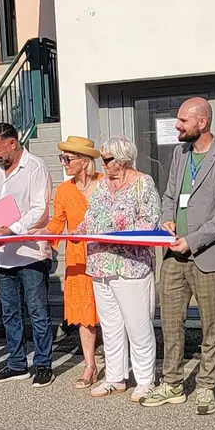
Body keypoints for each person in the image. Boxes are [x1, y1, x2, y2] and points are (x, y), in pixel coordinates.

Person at [142, 98, 215, 415]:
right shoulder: (180, 153)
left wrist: (193, 240)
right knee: (171, 324)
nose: (177, 125)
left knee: (211, 326)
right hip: (173, 256)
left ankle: (206, 386)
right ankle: (172, 384)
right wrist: (167, 219)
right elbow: (170, 194)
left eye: (183, 120)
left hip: (207, 256)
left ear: (202, 122)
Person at [0, 123, 55, 388]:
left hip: (30, 251)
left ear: (13, 143)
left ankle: (43, 364)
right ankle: (17, 363)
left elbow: (40, 209)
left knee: (37, 311)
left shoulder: (35, 167)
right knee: (9, 312)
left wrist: (13, 228)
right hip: (3, 252)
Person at [77, 136, 161, 402]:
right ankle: (115, 377)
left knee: (138, 326)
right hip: (100, 264)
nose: (102, 164)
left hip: (130, 266)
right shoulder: (102, 185)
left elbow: (149, 222)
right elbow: (90, 218)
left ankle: (145, 380)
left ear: (123, 160)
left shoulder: (143, 183)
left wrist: (114, 233)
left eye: (107, 159)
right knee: (110, 326)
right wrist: (74, 233)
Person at [30, 136, 101, 388]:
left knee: (112, 314)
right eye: (62, 158)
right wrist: (41, 233)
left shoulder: (105, 184)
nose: (63, 163)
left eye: (67, 159)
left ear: (84, 161)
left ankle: (118, 366)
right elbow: (57, 223)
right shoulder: (63, 190)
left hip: (106, 256)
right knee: (84, 316)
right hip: (77, 259)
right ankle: (90, 366)